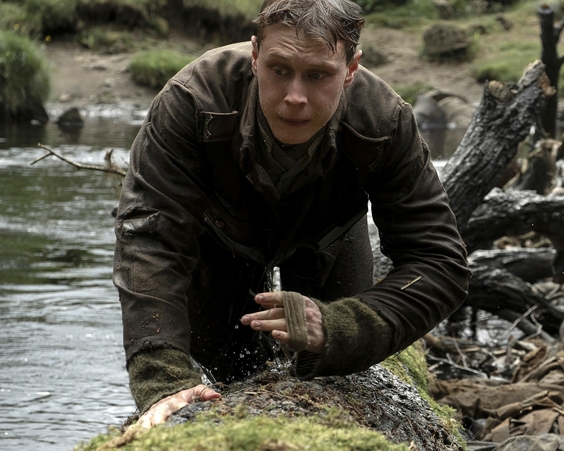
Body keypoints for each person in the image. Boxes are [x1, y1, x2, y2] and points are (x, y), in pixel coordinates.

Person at [113, 0, 470, 428]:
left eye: (318, 75)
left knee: (334, 371)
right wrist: (163, 382)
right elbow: (151, 239)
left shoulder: (383, 123)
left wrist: (336, 326)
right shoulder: (193, 100)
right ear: (255, 55)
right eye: (279, 70)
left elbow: (440, 263)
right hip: (216, 245)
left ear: (351, 68)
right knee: (228, 373)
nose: (294, 97)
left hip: (328, 240)